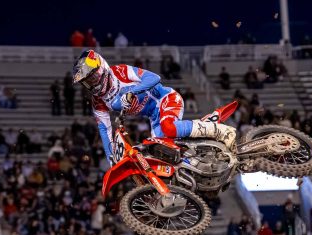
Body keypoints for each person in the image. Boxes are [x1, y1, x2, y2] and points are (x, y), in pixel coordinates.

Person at [72, 50, 236, 165]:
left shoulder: (121, 72)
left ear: (101, 68)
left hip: (166, 99)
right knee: (161, 156)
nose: (92, 83)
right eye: (87, 81)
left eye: (92, 77)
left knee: (169, 128)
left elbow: (154, 78)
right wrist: (112, 161)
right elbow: (105, 132)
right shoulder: (98, 101)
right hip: (154, 116)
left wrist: (131, 91)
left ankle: (219, 130)